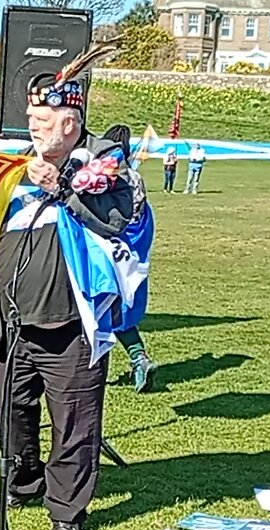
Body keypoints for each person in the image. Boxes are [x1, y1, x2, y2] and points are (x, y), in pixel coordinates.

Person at [0, 74, 133, 530]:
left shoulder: (107, 168)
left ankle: (66, 509)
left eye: (41, 121)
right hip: (11, 319)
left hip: (70, 323)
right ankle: (22, 482)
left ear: (69, 124)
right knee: (9, 410)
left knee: (74, 420)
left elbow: (116, 225)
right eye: (30, 118)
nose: (32, 127)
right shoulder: (16, 169)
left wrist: (63, 187)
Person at [104, 123, 157, 392]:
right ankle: (139, 357)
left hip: (110, 249)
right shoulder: (135, 177)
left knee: (99, 306)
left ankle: (90, 368)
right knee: (120, 310)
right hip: (131, 254)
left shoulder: (105, 175)